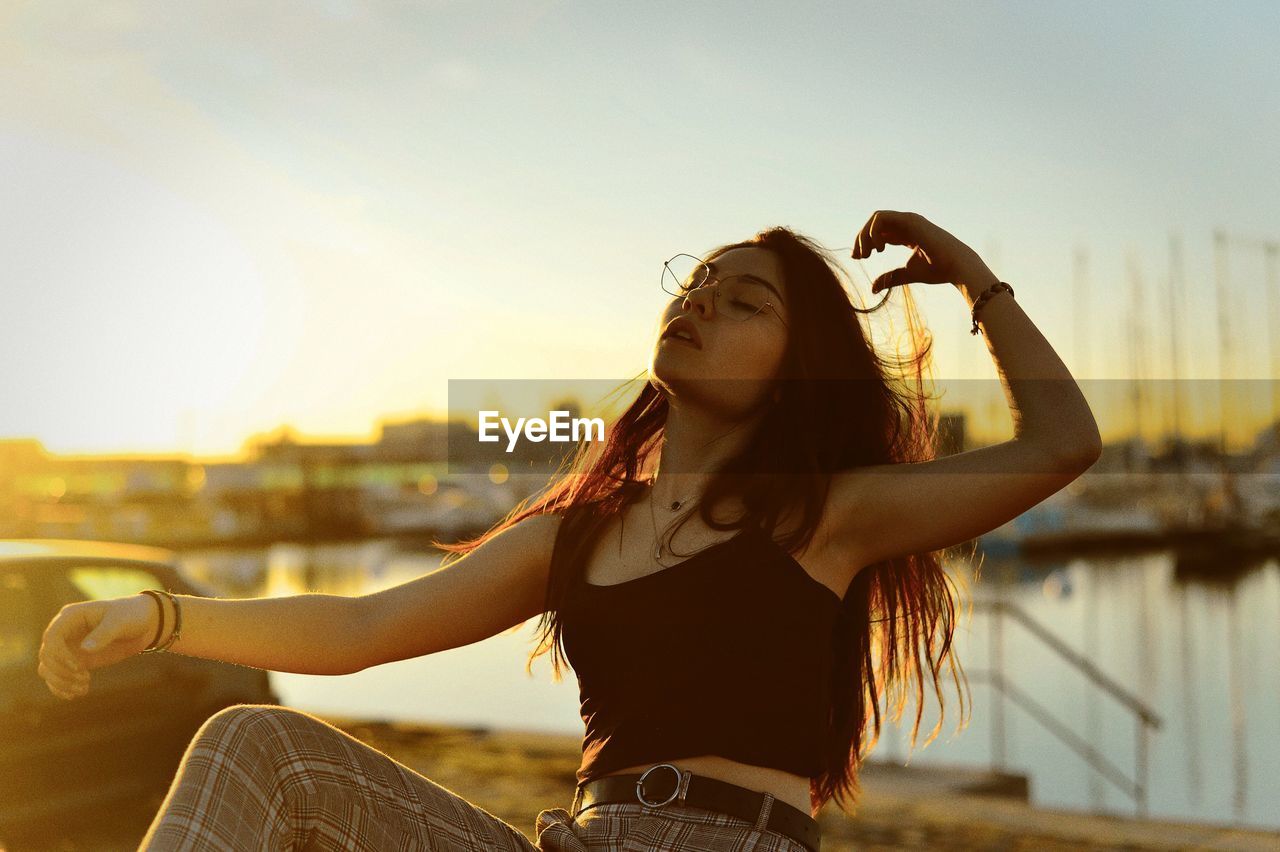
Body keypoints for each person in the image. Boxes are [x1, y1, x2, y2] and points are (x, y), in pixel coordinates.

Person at [36, 210, 1102, 851]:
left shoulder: (820, 515)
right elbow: (361, 629)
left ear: (794, 368)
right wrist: (161, 615)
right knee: (258, 745)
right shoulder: (576, 535)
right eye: (693, 288)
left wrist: (975, 280)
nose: (697, 305)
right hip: (579, 837)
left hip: (732, 845)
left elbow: (1060, 444)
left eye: (742, 303)